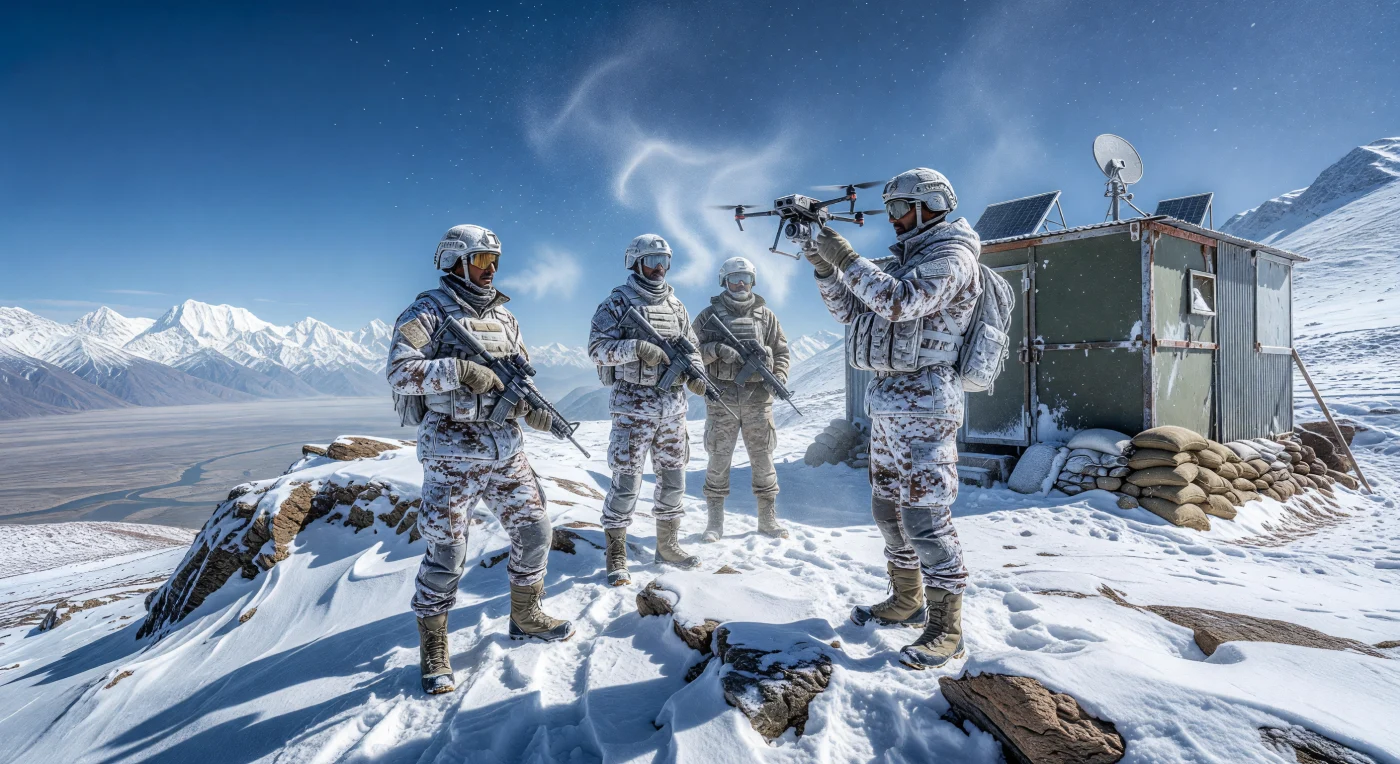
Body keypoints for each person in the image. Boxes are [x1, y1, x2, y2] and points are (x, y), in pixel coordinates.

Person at [805, 168, 983, 670]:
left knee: (926, 516)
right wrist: (822, 265)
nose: (892, 219)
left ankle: (948, 628)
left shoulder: (952, 257)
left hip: (927, 401)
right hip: (887, 400)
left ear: (929, 205)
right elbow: (848, 308)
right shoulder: (903, 261)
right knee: (888, 509)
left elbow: (900, 303)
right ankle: (907, 600)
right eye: (889, 209)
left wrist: (844, 255)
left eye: (899, 208)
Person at [387, 224, 573, 695]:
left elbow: (519, 381)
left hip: (505, 450)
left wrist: (540, 412)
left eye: (495, 262)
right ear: (454, 262)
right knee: (447, 552)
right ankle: (434, 647)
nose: (490, 270)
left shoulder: (506, 319)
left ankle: (526, 615)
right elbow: (400, 373)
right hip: (452, 454)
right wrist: (462, 370)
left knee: (535, 530)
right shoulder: (426, 311)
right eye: (481, 260)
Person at [588, 233, 707, 586]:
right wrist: (636, 348)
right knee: (626, 485)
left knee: (673, 481)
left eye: (664, 261)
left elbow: (694, 349)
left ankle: (667, 545)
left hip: (672, 410)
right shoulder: (616, 304)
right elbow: (597, 349)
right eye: (652, 261)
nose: (658, 268)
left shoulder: (677, 307)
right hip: (633, 409)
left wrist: (697, 375)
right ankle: (616, 553)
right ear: (635, 263)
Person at [691, 256, 791, 542]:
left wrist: (779, 377)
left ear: (753, 282)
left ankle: (768, 520)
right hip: (721, 397)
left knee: (763, 459)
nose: (739, 284)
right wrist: (717, 350)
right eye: (734, 279)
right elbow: (691, 350)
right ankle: (714, 523)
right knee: (718, 460)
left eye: (745, 279)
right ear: (724, 281)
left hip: (758, 398)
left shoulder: (766, 316)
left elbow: (781, 351)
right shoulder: (708, 316)